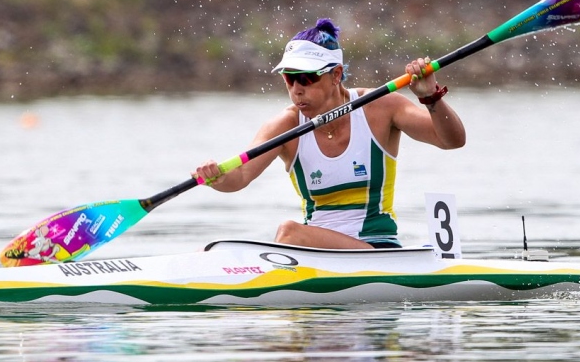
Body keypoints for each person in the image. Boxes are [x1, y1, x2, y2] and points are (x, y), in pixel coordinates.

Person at [193, 18, 466, 249]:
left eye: (307, 78)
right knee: (291, 235)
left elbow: (452, 141)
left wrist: (431, 98)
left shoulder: (380, 107)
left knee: (289, 232)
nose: (296, 89)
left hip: (378, 249)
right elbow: (240, 176)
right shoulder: (286, 126)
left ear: (336, 75)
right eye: (289, 78)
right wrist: (215, 176)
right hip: (315, 254)